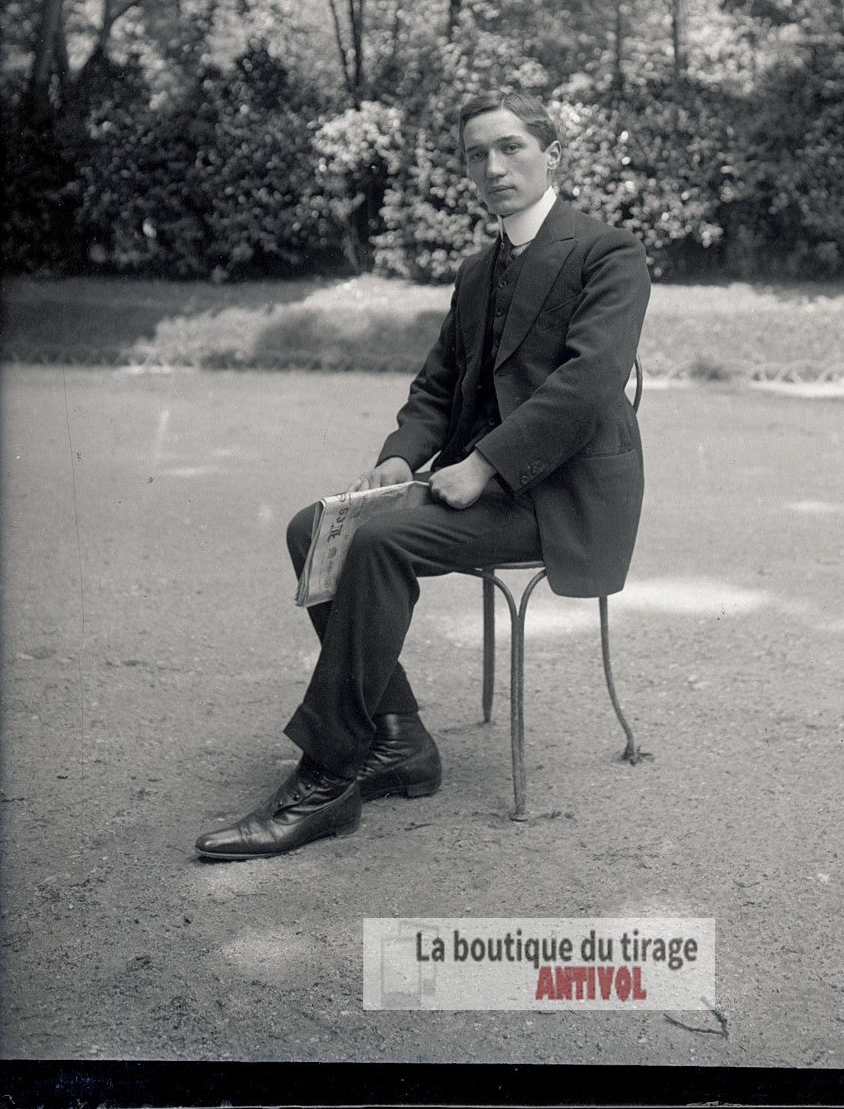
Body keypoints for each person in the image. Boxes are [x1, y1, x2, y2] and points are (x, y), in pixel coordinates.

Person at [195, 90, 651, 859]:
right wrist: (403, 454)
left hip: (563, 497)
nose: (494, 167)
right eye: (477, 154)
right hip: (478, 484)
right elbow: (438, 386)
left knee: (382, 544)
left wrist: (484, 465)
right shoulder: (479, 271)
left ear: (553, 157)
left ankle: (327, 774)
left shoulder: (607, 253)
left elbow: (588, 386)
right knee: (318, 527)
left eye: (510, 147)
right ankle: (398, 739)